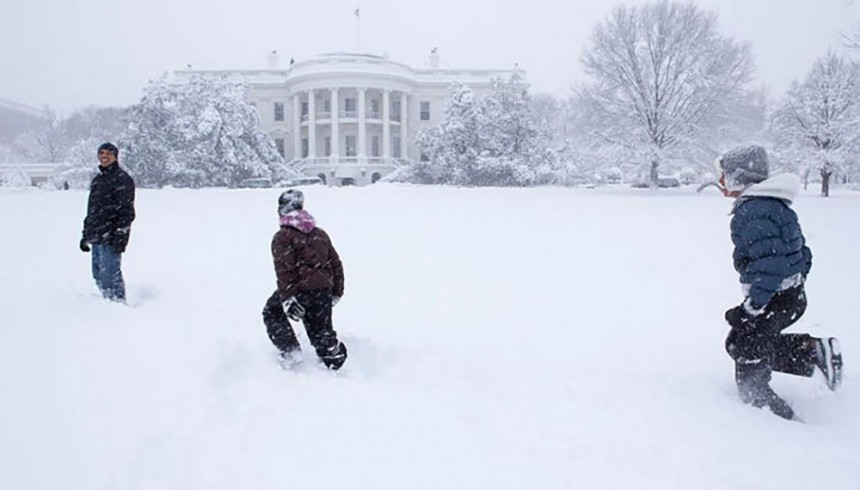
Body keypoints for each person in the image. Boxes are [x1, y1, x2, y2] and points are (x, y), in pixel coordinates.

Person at [716, 145, 842, 420]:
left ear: (739, 176)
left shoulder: (754, 211)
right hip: (787, 296)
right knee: (739, 342)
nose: (721, 181)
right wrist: (795, 282)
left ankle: (771, 419)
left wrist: (753, 307)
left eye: (724, 175)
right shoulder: (772, 205)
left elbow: (771, 264)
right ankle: (812, 352)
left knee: (746, 348)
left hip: (773, 298)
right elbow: (803, 253)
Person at [262, 189, 348, 370]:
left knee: (272, 312)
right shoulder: (320, 234)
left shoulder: (282, 237)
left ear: (282, 210)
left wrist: (287, 298)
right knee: (320, 331)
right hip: (323, 290)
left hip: (299, 290)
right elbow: (335, 264)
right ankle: (332, 358)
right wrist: (336, 291)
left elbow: (285, 271)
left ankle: (290, 351)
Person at [80, 142, 136, 302]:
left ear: (115, 156)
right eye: (101, 153)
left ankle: (117, 307)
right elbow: (92, 210)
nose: (104, 156)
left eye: (108, 153)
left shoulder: (122, 179)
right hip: (96, 235)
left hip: (111, 235)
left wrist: (121, 233)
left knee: (110, 276)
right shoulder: (98, 180)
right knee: (98, 274)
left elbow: (127, 210)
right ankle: (106, 304)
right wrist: (85, 235)